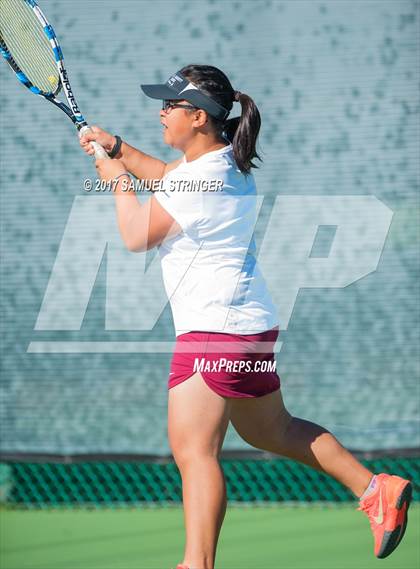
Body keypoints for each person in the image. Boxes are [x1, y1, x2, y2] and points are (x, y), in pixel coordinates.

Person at [80, 64, 412, 569]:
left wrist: (117, 180)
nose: (162, 112)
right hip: (249, 330)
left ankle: (197, 564)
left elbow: (135, 235)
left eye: (171, 105)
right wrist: (118, 149)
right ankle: (375, 487)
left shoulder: (202, 179)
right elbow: (167, 177)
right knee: (270, 431)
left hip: (213, 332)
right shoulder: (221, 164)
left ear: (198, 117)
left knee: (194, 452)